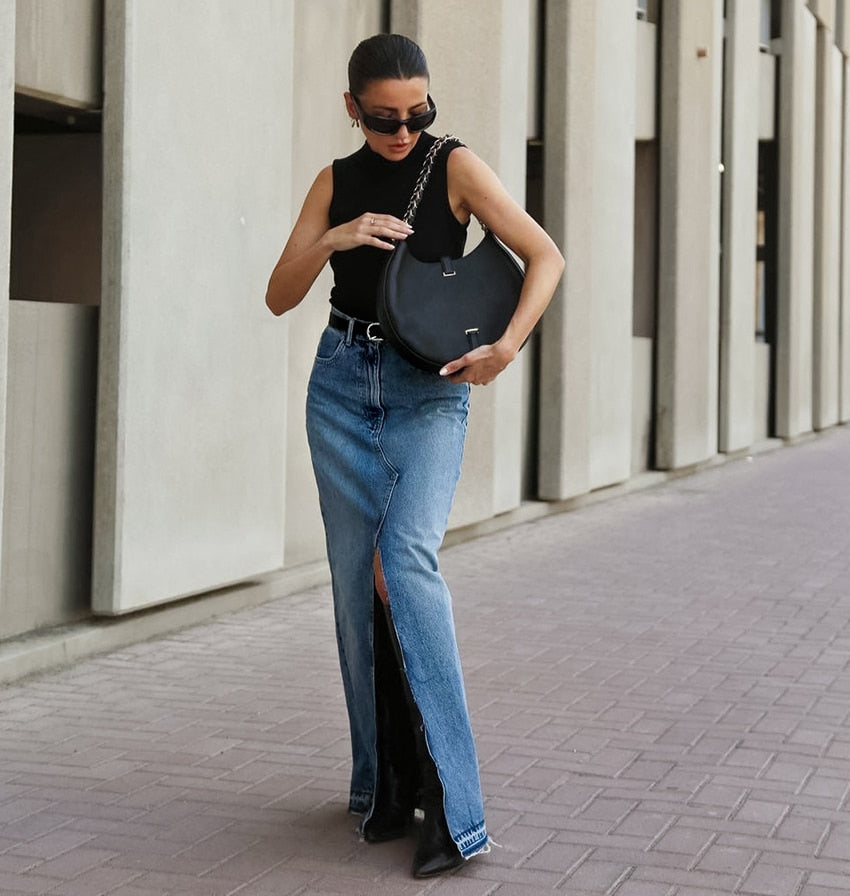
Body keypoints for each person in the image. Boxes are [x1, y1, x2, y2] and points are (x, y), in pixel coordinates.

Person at [266, 33, 564, 878]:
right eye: (386, 118)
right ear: (353, 106)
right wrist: (336, 236)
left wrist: (507, 346)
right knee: (358, 581)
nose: (404, 133)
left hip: (428, 389)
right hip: (339, 383)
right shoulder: (337, 179)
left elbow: (545, 255)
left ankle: (450, 804)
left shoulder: (456, 165)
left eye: (419, 114)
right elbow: (279, 292)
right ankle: (385, 786)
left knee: (406, 560)